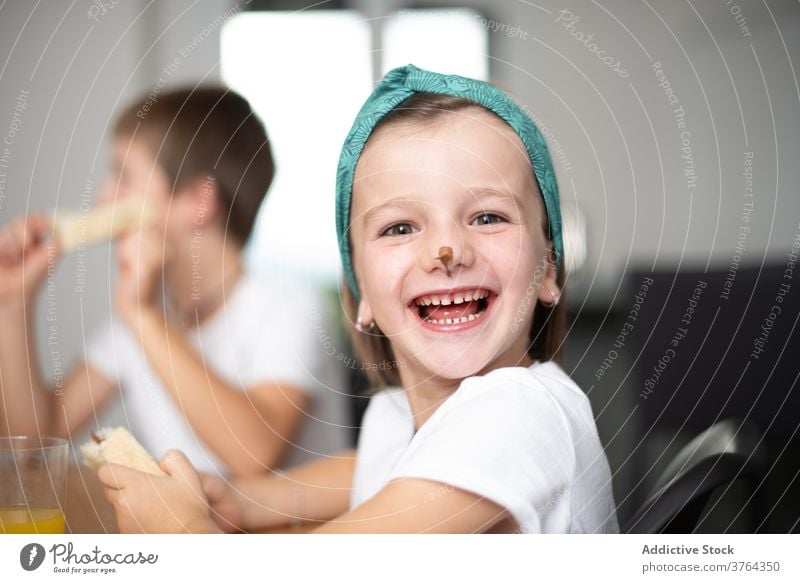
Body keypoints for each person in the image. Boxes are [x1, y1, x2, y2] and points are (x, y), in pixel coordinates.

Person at [97, 65, 619, 533]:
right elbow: (376, 469)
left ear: (549, 267)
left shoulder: (519, 413)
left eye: (488, 217)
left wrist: (184, 532)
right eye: (399, 226)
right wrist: (237, 499)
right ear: (362, 291)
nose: (445, 249)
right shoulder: (398, 419)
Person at [0, 87, 348, 478]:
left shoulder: (287, 305)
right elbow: (30, 444)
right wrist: (13, 305)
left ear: (197, 201)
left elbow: (253, 453)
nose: (102, 196)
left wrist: (141, 314)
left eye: (123, 176)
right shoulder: (138, 321)